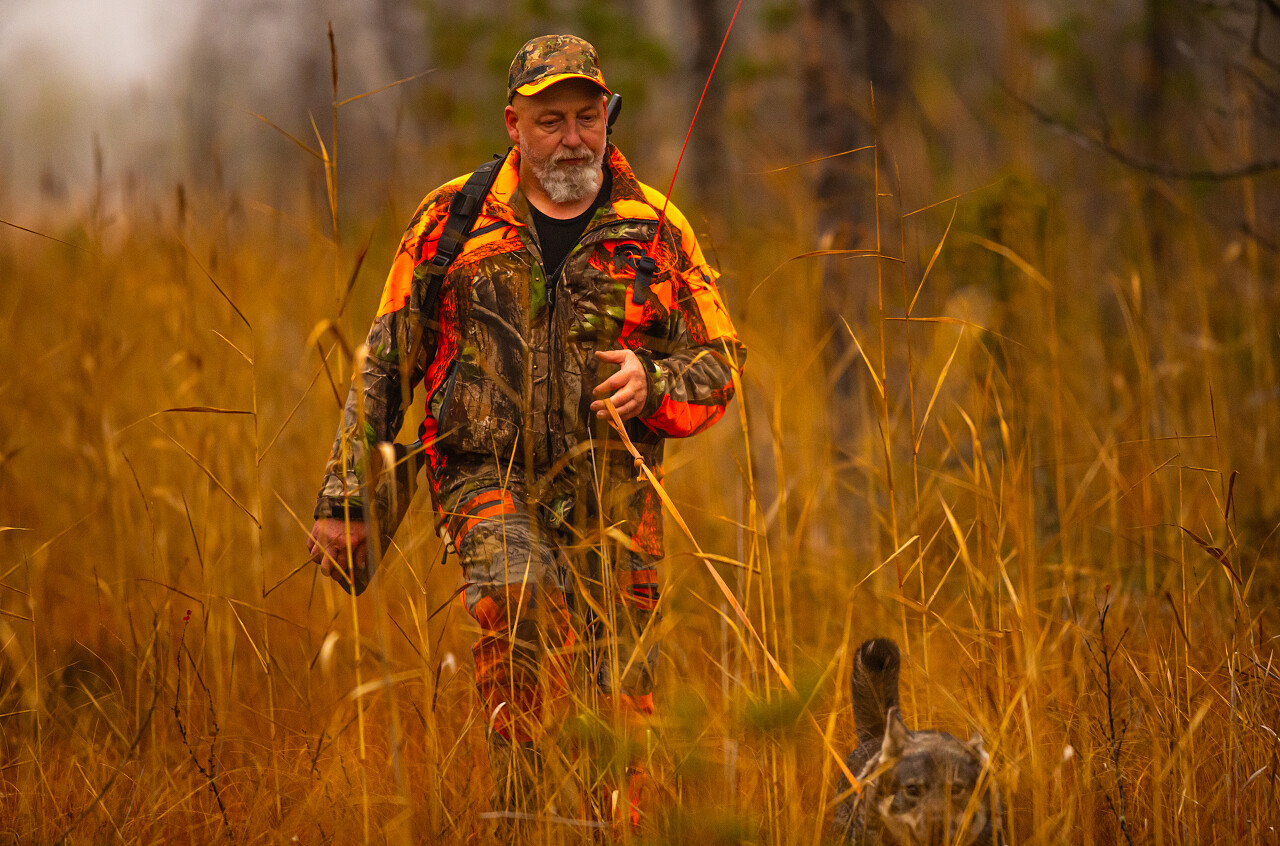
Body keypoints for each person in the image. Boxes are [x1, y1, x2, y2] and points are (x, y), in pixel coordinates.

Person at [305, 33, 745, 827]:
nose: (572, 138)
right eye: (551, 121)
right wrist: (343, 497)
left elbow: (721, 367)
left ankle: (612, 826)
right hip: (483, 474)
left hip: (615, 494)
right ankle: (521, 807)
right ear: (513, 123)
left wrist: (654, 385)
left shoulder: (656, 226)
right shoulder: (452, 220)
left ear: (608, 117)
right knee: (518, 601)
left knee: (621, 693)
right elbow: (384, 360)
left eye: (587, 118)